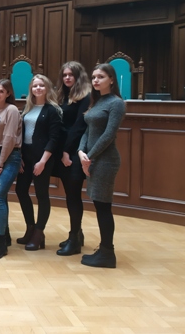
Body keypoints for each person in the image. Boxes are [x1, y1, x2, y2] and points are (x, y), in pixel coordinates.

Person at [78, 63, 126, 268]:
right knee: (99, 204)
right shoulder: (97, 101)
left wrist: (89, 156)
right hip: (92, 159)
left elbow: (109, 135)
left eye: (101, 77)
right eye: (94, 77)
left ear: (112, 80)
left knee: (104, 206)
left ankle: (107, 253)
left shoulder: (116, 103)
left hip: (105, 160)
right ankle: (104, 248)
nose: (96, 80)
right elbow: (87, 130)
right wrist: (81, 152)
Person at [15, 74, 62, 251]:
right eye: (35, 86)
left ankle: (39, 232)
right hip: (26, 156)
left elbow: (54, 138)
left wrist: (42, 161)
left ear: (47, 88)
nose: (38, 88)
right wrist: (19, 156)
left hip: (43, 158)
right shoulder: (27, 108)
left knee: (41, 195)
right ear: (31, 89)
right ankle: (30, 227)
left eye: (41, 85)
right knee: (20, 190)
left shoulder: (52, 110)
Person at [54, 62, 91, 256]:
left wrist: (67, 151)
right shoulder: (62, 95)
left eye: (71, 75)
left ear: (79, 76)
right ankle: (77, 234)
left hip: (75, 150)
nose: (67, 78)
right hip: (63, 150)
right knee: (70, 194)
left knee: (74, 195)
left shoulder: (86, 96)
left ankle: (74, 239)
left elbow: (79, 126)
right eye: (65, 75)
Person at [0, 79, 22, 260]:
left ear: (8, 93)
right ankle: (5, 234)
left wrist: (0, 163)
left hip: (9, 157)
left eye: (1, 91)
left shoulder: (12, 110)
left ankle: (0, 241)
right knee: (1, 198)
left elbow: (9, 137)